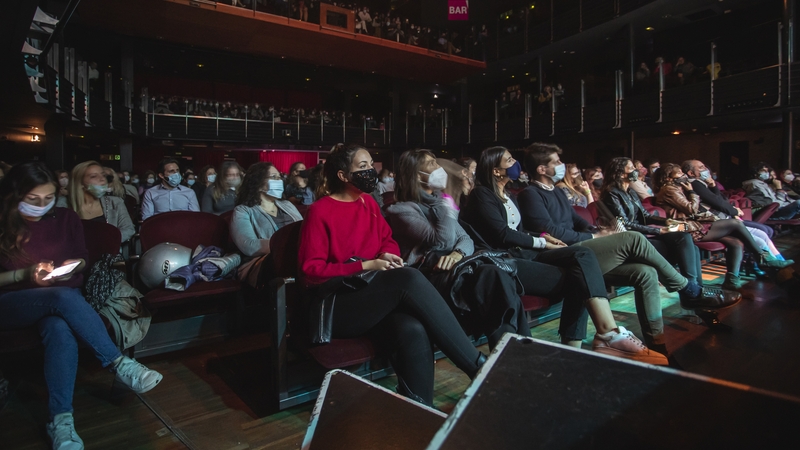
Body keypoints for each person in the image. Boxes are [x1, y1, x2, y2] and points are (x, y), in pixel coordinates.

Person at [299, 143, 487, 405]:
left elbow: (386, 241)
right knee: (408, 278)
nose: (370, 171)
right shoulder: (321, 211)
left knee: (412, 328)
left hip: (370, 294)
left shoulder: (368, 203)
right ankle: (477, 366)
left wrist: (386, 254)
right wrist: (365, 265)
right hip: (337, 302)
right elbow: (312, 271)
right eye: (362, 167)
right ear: (343, 175)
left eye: (370, 165)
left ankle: (419, 408)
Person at [516, 144, 738, 355]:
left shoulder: (555, 191)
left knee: (646, 273)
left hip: (584, 250)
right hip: (564, 253)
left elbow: (577, 220)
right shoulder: (530, 194)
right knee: (633, 238)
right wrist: (594, 235)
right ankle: (687, 289)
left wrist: (598, 230)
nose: (561, 164)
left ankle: (657, 345)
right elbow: (548, 230)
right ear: (541, 168)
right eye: (556, 161)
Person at [0, 162, 162, 450]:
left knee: (59, 328)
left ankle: (61, 420)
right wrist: (25, 275)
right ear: (14, 196)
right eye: (32, 200)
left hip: (61, 299)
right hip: (14, 302)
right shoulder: (3, 222)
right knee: (62, 298)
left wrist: (71, 265)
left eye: (48, 198)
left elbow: (83, 258)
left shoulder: (65, 217)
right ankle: (118, 363)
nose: (42, 206)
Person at [460, 146, 667, 364]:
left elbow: (519, 232)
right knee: (578, 276)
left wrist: (543, 237)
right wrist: (542, 242)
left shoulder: (508, 194)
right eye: (509, 161)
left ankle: (581, 346)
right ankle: (605, 334)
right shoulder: (482, 194)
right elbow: (502, 234)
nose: (515, 165)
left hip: (525, 253)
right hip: (504, 262)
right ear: (495, 171)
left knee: (582, 256)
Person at [387, 149, 528, 350]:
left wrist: (458, 253)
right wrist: (446, 203)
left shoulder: (442, 203)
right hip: (431, 276)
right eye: (432, 164)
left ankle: (513, 354)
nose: (439, 168)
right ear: (418, 175)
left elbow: (465, 239)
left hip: (456, 267)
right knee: (495, 279)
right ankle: (515, 354)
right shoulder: (402, 209)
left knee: (496, 275)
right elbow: (442, 241)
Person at [653, 163, 793, 288]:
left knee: (736, 242)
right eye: (679, 173)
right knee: (735, 223)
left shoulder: (676, 188)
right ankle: (762, 258)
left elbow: (714, 202)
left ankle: (732, 280)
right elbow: (692, 209)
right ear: (668, 177)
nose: (683, 175)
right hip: (686, 229)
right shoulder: (669, 189)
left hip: (694, 225)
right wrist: (691, 192)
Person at [683, 160, 786, 269]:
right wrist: (735, 211)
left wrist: (713, 186)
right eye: (701, 167)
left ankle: (778, 264)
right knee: (759, 239)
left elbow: (722, 200)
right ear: (691, 173)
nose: (706, 170)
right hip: (712, 224)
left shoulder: (703, 184)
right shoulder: (694, 183)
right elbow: (718, 203)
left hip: (722, 221)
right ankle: (775, 268)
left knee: (762, 234)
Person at [231, 162, 302, 288]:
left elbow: (304, 230)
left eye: (279, 177)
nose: (279, 180)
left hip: (297, 254)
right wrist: (285, 245)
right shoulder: (243, 211)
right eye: (273, 177)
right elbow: (249, 245)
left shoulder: (287, 205)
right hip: (264, 262)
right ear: (258, 184)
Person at [68, 161, 135, 243]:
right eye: (93, 176)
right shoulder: (64, 206)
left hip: (109, 252)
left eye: (103, 175)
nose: (102, 179)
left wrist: (106, 242)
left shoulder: (115, 202)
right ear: (80, 182)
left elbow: (129, 229)